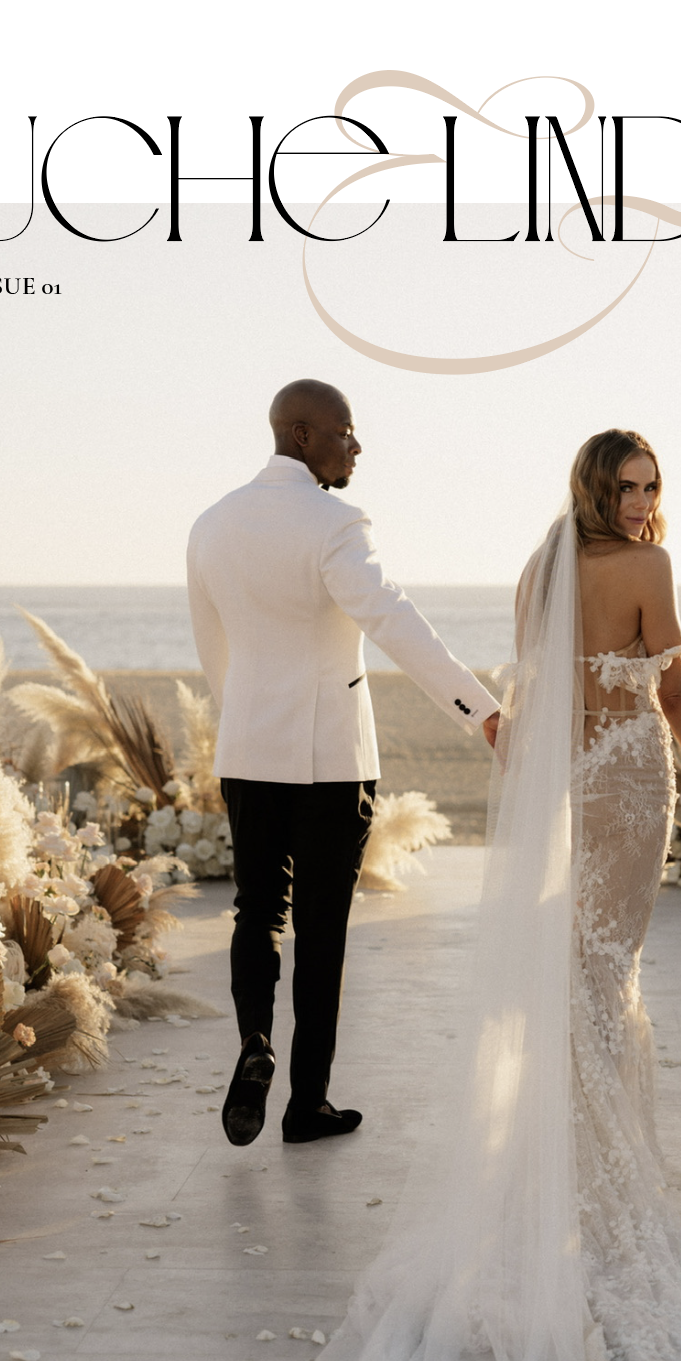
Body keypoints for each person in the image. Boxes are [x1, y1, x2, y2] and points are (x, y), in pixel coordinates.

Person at [244, 428, 681, 1361]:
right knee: (603, 985)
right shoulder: (648, 564)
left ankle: (563, 1192)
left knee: (578, 979)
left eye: (652, 486)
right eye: (627, 486)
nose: (643, 502)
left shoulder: (542, 564)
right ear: (596, 487)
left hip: (570, 783)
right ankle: (604, 1217)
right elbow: (677, 689)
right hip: (630, 783)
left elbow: (531, 697)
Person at [186, 380, 499, 1147]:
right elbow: (393, 619)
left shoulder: (210, 525)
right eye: (344, 433)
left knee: (257, 912)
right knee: (323, 931)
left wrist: (246, 720)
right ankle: (307, 1103)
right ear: (300, 434)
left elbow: (212, 645)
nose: (356, 447)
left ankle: (254, 1041)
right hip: (331, 761)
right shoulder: (336, 522)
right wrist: (480, 708)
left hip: (249, 749)